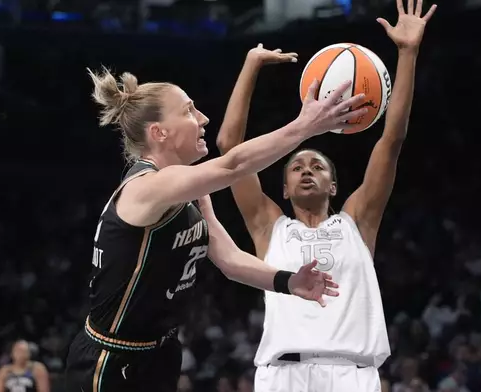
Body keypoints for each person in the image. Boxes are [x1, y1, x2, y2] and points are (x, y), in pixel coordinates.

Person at [64, 58, 371, 392]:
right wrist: (305, 126)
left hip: (159, 353)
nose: (203, 118)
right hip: (112, 358)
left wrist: (289, 281)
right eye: (189, 111)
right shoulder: (145, 187)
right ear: (159, 132)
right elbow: (232, 165)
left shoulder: (191, 195)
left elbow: (228, 259)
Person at [215, 0, 436, 390]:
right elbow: (229, 146)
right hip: (283, 374)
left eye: (317, 166)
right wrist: (251, 64)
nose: (305, 171)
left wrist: (408, 52)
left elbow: (392, 140)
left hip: (352, 373)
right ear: (283, 189)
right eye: (296, 167)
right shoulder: (269, 226)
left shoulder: (358, 220)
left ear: (334, 186)